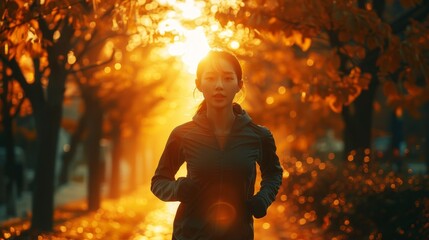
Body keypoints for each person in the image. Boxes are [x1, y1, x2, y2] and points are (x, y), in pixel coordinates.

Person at [151, 49, 283, 240]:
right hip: (190, 234)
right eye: (211, 78)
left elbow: (274, 173)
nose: (219, 86)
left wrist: (264, 198)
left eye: (228, 78)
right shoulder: (182, 134)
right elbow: (159, 182)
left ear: (239, 85)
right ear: (199, 84)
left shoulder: (258, 135)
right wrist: (178, 189)